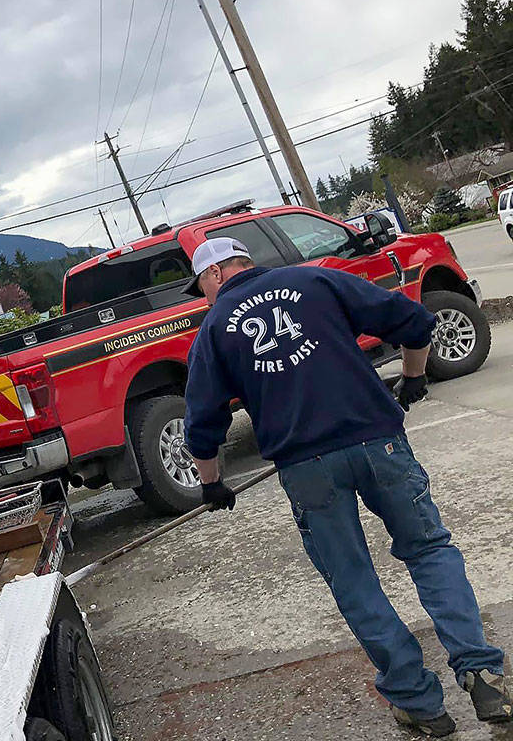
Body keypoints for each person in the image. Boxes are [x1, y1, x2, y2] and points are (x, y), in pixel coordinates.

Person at [183, 237, 510, 736]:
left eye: (201, 287)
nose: (204, 298)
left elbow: (202, 424)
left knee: (354, 581)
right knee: (429, 551)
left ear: (216, 275)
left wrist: (212, 485)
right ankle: (481, 670)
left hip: (307, 468)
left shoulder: (213, 329)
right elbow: (416, 321)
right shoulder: (316, 279)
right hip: (379, 442)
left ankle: (421, 704)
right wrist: (414, 377)